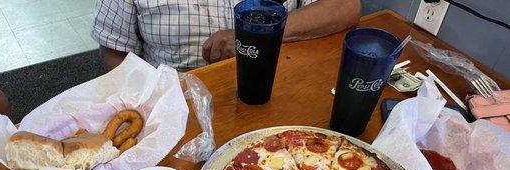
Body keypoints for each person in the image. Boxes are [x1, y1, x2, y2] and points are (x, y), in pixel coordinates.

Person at [92, 0, 361, 71]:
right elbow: (114, 49)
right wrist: (152, 100)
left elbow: (345, 6)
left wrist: (260, 34)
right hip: (175, 103)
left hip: (272, 84)